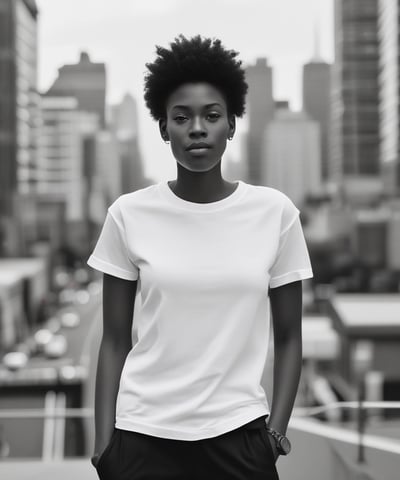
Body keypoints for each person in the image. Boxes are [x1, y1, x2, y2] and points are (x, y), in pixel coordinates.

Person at [87, 34, 313, 480]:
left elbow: (289, 338)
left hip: (241, 438)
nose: (196, 128)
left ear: (231, 124)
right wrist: (103, 448)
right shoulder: (128, 214)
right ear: (162, 127)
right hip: (142, 438)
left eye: (211, 116)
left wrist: (276, 436)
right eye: (181, 117)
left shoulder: (275, 214)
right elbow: (113, 340)